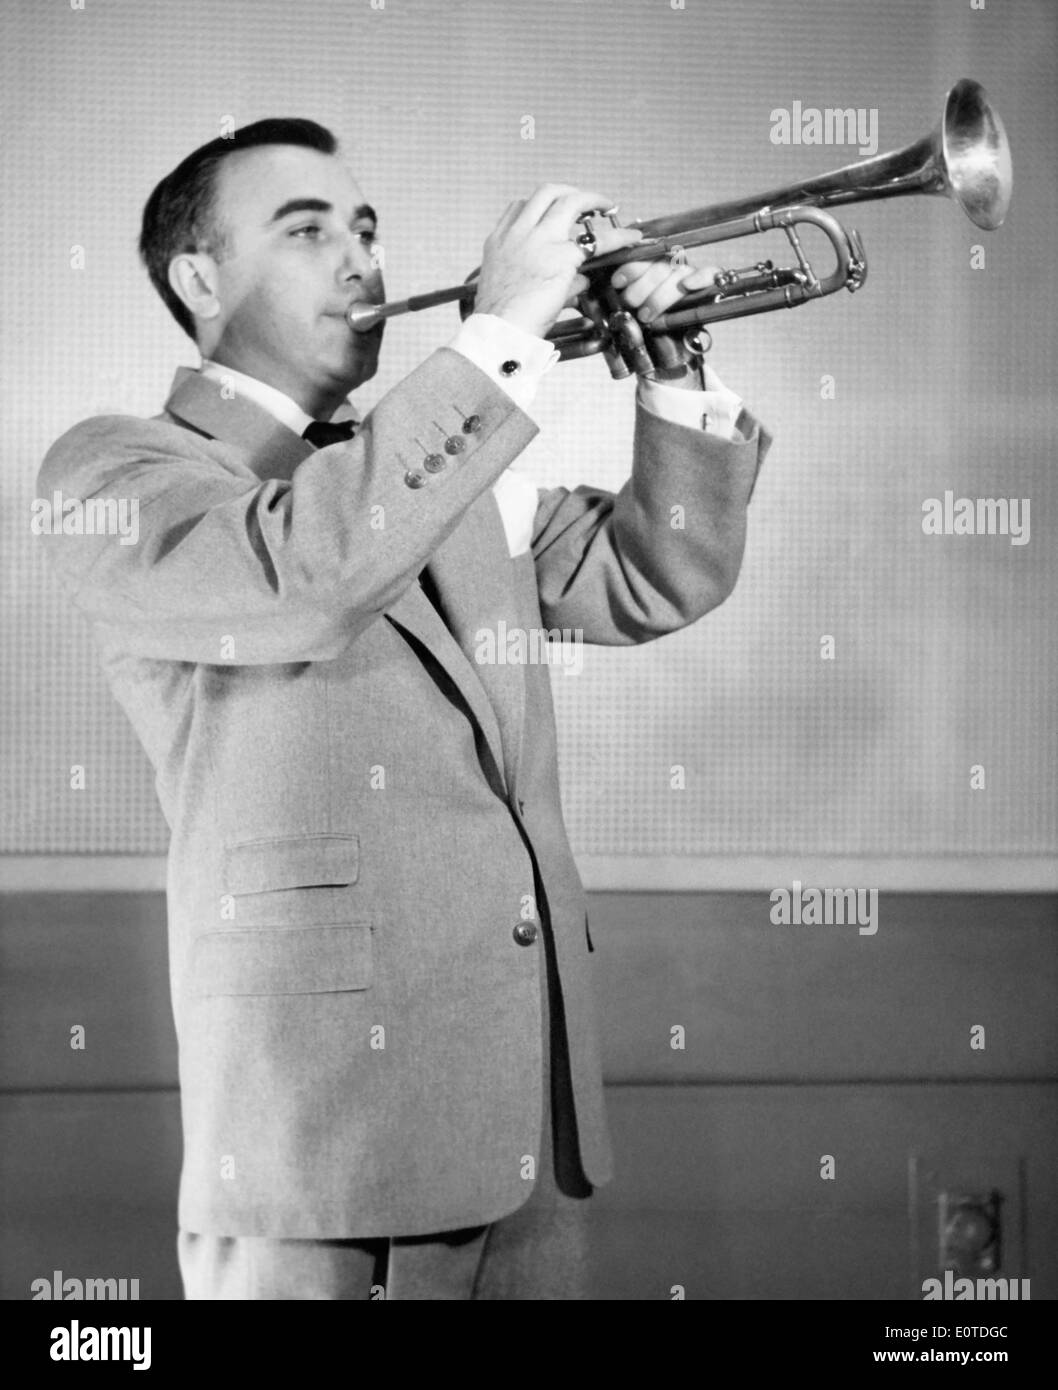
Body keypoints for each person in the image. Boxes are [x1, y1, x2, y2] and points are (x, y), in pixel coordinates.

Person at [36, 117, 771, 1300]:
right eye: (307, 227)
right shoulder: (113, 471)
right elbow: (307, 572)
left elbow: (657, 572)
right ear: (198, 277)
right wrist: (497, 339)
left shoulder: (446, 472)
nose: (360, 258)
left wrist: (672, 370)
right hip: (324, 1146)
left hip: (528, 1123)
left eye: (366, 226)